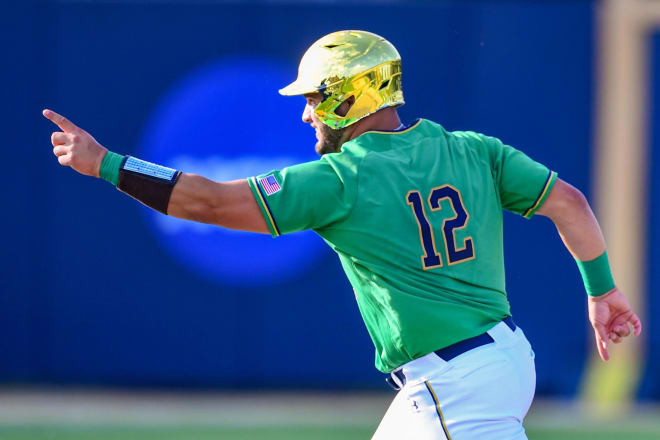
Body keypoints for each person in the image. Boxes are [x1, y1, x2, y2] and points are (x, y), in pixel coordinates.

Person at [43, 30, 641, 440]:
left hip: (454, 382)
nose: (306, 114)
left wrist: (106, 163)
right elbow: (570, 203)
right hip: (504, 358)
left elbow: (209, 200)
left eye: (314, 98)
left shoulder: (341, 178)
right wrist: (602, 290)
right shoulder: (473, 150)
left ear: (348, 95)